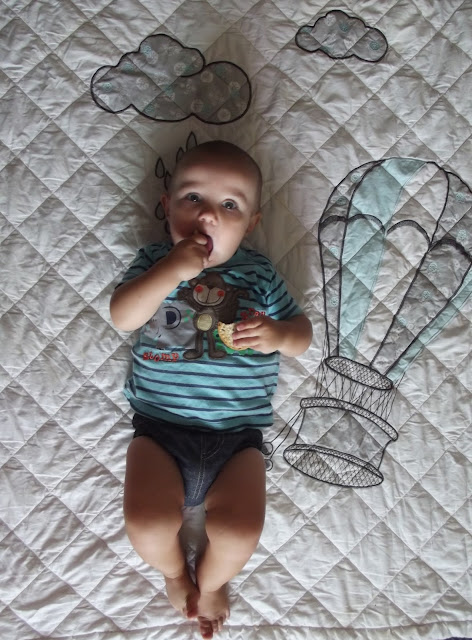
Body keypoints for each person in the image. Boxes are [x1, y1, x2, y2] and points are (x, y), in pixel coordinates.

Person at [110, 140, 312, 639]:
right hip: (160, 427)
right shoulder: (155, 260)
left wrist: (278, 335)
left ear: (251, 223)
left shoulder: (259, 274)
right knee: (146, 522)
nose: (208, 215)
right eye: (193, 198)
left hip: (238, 436)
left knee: (241, 529)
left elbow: (302, 336)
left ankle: (215, 580)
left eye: (229, 206)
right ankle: (174, 572)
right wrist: (172, 270)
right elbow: (123, 316)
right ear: (166, 206)